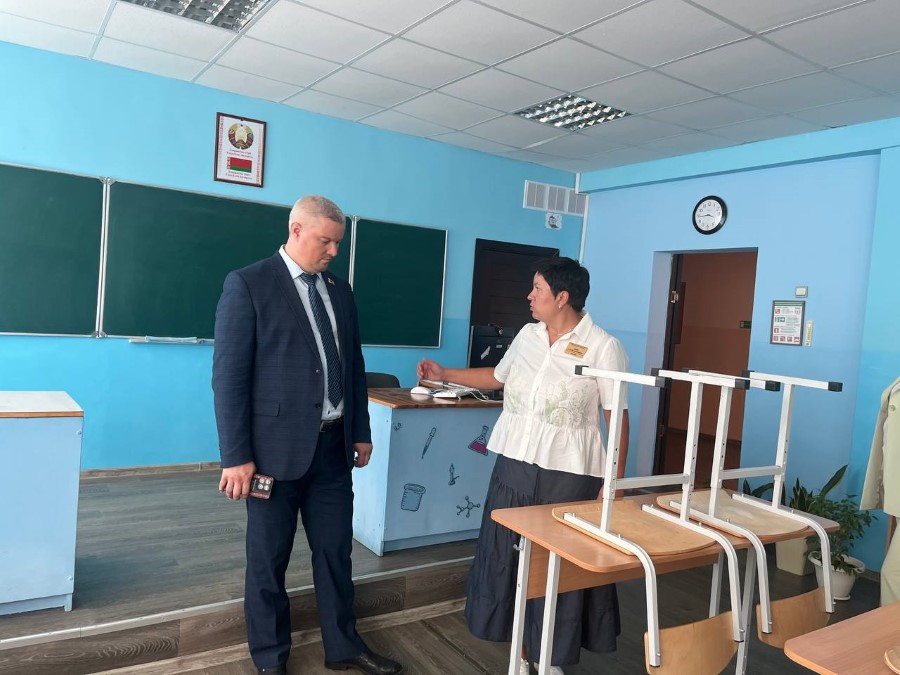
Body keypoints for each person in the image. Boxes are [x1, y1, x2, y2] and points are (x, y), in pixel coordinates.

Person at [212, 195, 402, 675]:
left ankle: (343, 647)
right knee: (268, 560)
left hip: (333, 449)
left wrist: (360, 430)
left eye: (338, 243)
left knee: (336, 553)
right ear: (296, 230)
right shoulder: (248, 284)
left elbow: (352, 365)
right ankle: (270, 659)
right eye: (326, 241)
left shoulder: (340, 291)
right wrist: (236, 456)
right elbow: (229, 378)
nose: (333, 251)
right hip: (271, 456)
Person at [417, 257, 629, 675]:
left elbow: (616, 416)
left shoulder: (604, 346)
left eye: (537, 289)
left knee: (555, 564)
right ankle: (521, 646)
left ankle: (549, 654)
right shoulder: (527, 336)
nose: (529, 296)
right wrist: (444, 374)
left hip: (569, 473)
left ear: (562, 297)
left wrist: (614, 480)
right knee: (506, 555)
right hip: (514, 462)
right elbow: (497, 378)